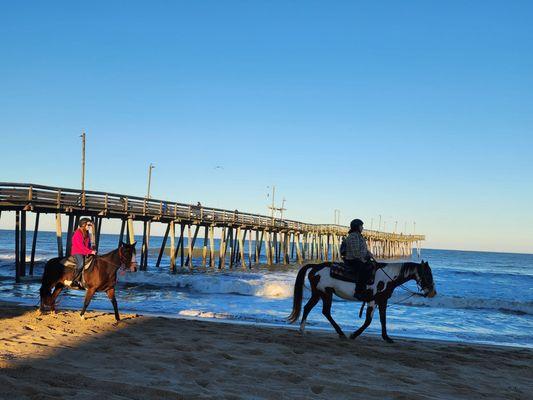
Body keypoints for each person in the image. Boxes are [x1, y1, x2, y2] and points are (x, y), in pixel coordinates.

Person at [341, 219, 375, 300]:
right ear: (357, 227)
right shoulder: (353, 236)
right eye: (361, 226)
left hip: (359, 258)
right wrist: (363, 260)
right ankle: (358, 292)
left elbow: (362, 249)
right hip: (352, 260)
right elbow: (355, 252)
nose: (362, 228)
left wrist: (369, 254)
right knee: (363, 269)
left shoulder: (359, 236)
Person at [70, 218, 96, 287]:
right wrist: (90, 251)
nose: (90, 226)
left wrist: (92, 250)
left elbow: (88, 244)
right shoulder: (78, 233)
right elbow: (80, 246)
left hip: (84, 251)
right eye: (88, 225)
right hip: (77, 251)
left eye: (90, 225)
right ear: (83, 225)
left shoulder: (87, 233)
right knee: (81, 264)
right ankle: (74, 280)